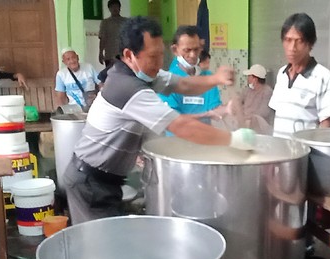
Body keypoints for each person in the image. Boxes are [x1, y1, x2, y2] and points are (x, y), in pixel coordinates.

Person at [63, 16, 256, 224]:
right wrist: (234, 140)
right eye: (152, 57)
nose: (159, 63)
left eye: (160, 56)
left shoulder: (143, 75)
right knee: (99, 249)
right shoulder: (127, 87)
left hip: (104, 181)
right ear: (129, 55)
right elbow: (181, 126)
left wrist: (215, 79)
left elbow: (184, 85)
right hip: (89, 184)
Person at [268, 13, 330, 137]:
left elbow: (326, 124)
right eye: (288, 40)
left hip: (304, 154)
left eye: (299, 41)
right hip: (279, 152)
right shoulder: (282, 74)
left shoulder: (323, 76)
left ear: (310, 44)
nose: (292, 48)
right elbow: (277, 116)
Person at [159, 25, 224, 132]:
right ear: (175, 50)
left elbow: (215, 108)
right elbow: (174, 121)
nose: (193, 55)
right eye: (187, 50)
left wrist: (227, 109)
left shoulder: (208, 77)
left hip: (205, 140)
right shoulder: (167, 81)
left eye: (196, 49)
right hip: (178, 142)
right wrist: (206, 114)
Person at [98, 0, 127, 67]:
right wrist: (100, 53)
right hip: (110, 56)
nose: (114, 8)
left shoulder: (126, 22)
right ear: (109, 9)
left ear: (119, 8)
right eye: (112, 7)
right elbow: (102, 39)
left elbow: (131, 38)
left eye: (116, 6)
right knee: (110, 75)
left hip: (124, 56)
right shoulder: (105, 22)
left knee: (124, 76)